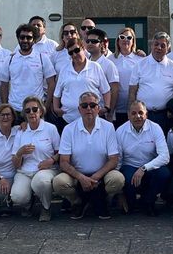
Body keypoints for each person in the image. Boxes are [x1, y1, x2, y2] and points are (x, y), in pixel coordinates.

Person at [53, 91, 123, 219]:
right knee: (59, 182)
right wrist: (81, 177)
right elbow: (63, 162)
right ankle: (78, 202)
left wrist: (96, 176)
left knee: (117, 179)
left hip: (102, 174)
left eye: (92, 105)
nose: (89, 108)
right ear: (79, 109)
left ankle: (104, 200)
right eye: (84, 106)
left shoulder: (108, 127)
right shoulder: (69, 129)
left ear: (98, 108)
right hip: (76, 174)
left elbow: (113, 159)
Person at [116, 100, 171, 215]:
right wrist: (119, 190)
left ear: (146, 114)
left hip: (149, 166)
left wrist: (144, 168)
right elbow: (118, 159)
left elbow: (165, 156)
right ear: (128, 115)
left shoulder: (155, 128)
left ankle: (148, 202)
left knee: (164, 174)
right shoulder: (120, 131)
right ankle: (131, 202)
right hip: (129, 166)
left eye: (141, 113)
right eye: (134, 113)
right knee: (126, 179)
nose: (138, 116)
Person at [11, 96, 60, 221]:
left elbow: (60, 152)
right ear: (24, 114)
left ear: (41, 111)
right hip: (25, 171)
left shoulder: (50, 128)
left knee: (41, 182)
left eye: (34, 109)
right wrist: (20, 153)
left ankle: (46, 207)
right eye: (28, 111)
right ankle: (28, 203)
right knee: (17, 196)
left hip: (46, 169)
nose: (31, 113)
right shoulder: (20, 131)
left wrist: (52, 160)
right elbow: (16, 164)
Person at [53, 34, 112, 126]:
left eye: (76, 50)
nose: (74, 54)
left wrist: (107, 107)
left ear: (83, 48)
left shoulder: (95, 67)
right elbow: (57, 93)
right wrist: (56, 108)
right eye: (71, 53)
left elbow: (106, 90)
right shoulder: (64, 69)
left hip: (93, 120)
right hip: (68, 120)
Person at [126, 31, 173, 130]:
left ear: (168, 48)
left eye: (163, 45)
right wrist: (131, 114)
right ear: (151, 45)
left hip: (166, 116)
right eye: (156, 44)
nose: (159, 48)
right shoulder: (140, 65)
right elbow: (132, 92)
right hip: (143, 116)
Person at [1, 24, 56, 117]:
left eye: (29, 37)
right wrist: (6, 107)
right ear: (18, 39)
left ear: (34, 40)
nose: (25, 40)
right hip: (15, 109)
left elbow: (51, 83)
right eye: (22, 37)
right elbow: (4, 85)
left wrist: (46, 106)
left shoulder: (42, 58)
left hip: (36, 110)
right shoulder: (9, 59)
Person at [84, 27, 120, 123]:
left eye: (94, 41)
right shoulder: (84, 63)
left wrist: (110, 111)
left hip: (103, 114)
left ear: (102, 44)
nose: (90, 44)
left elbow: (115, 90)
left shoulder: (109, 65)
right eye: (88, 41)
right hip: (86, 112)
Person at [111, 27, 143, 126]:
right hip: (115, 109)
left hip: (135, 110)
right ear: (117, 40)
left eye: (129, 37)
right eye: (122, 37)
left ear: (133, 41)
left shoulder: (141, 60)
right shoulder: (110, 60)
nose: (125, 40)